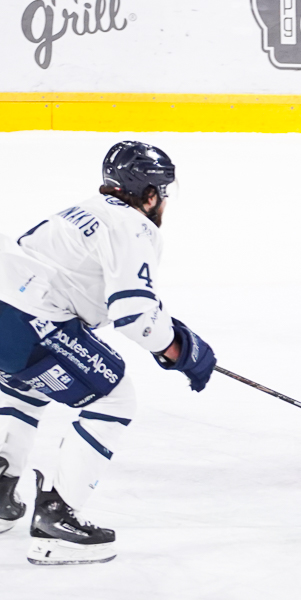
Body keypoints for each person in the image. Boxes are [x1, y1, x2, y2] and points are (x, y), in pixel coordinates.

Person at [0, 141, 216, 565]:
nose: (163, 203)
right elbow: (133, 314)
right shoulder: (135, 226)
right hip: (29, 318)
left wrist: (167, 330)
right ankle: (56, 524)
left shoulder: (79, 210)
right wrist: (179, 350)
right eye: (162, 193)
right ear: (150, 195)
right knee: (115, 398)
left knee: (28, 385)